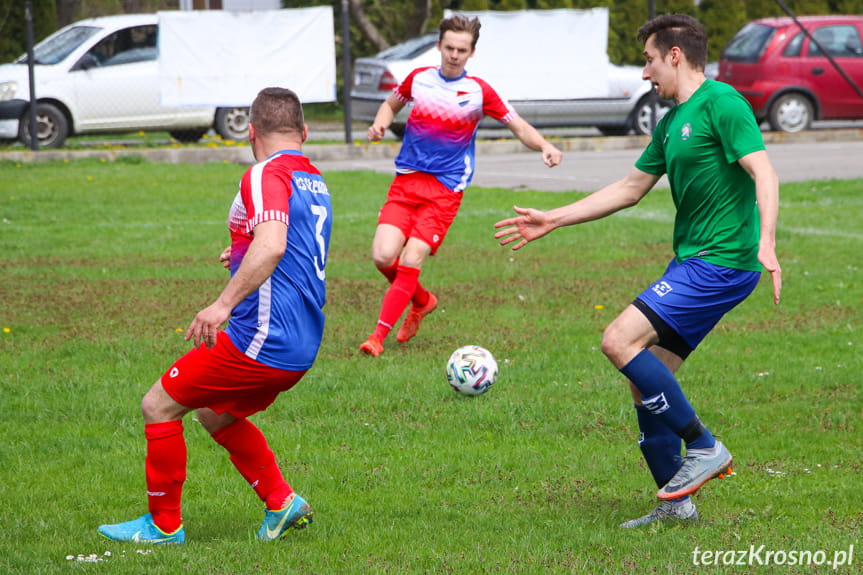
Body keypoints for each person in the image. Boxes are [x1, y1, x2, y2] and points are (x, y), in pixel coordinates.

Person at [494, 14, 781, 528]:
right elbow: (628, 189)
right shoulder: (671, 124)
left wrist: (767, 241)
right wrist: (552, 219)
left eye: (648, 60)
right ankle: (677, 507)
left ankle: (705, 446)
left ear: (675, 55)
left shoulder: (723, 104)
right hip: (695, 261)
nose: (645, 74)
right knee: (647, 378)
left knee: (618, 339)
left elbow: (763, 170)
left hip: (722, 261)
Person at [97, 87, 332, 544]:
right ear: (303, 131)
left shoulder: (263, 173)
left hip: (262, 340)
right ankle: (282, 503)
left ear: (250, 132)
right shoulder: (312, 176)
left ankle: (163, 527)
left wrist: (222, 304)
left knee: (157, 406)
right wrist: (243, 252)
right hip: (301, 343)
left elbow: (274, 244)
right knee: (211, 412)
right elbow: (283, 242)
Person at [359, 13, 563, 357]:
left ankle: (377, 337)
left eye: (461, 50)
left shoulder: (479, 92)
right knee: (382, 256)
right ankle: (422, 301)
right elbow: (391, 103)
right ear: (439, 46)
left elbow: (518, 126)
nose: (454, 55)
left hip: (444, 191)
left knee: (411, 258)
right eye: (449, 47)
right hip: (406, 182)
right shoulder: (419, 79)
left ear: (471, 53)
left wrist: (544, 144)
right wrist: (380, 124)